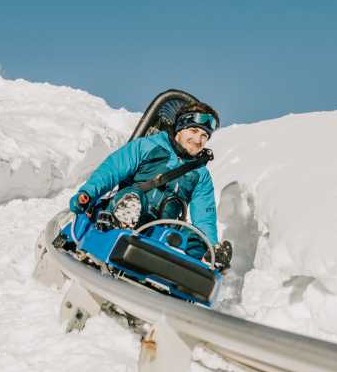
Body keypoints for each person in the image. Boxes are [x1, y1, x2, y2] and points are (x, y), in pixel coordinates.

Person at [70, 102, 233, 269]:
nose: (198, 140)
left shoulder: (200, 174)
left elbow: (204, 217)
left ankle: (208, 261)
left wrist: (210, 245)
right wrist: (87, 194)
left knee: (194, 238)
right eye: (194, 131)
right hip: (126, 209)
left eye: (204, 136)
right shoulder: (147, 146)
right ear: (180, 128)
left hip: (164, 224)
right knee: (133, 197)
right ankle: (122, 227)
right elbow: (111, 170)